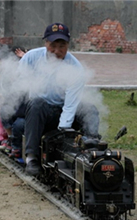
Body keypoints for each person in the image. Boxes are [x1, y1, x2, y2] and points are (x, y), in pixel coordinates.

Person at [18, 23, 100, 176]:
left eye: (62, 46)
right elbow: (20, 86)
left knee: (90, 109)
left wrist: (62, 133)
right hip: (40, 112)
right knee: (36, 103)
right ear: (45, 43)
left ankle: (91, 149)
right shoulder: (31, 58)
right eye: (53, 45)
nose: (57, 51)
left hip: (64, 112)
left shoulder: (75, 68)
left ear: (68, 45)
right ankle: (31, 158)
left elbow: (71, 105)